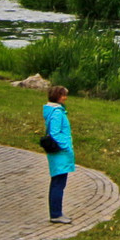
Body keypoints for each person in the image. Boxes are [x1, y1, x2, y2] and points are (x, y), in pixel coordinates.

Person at [43, 85, 75, 224]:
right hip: (60, 153)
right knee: (58, 184)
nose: (65, 98)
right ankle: (56, 213)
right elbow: (55, 133)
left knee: (57, 182)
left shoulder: (54, 111)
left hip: (59, 153)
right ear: (57, 96)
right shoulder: (57, 113)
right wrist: (66, 146)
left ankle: (56, 212)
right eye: (63, 95)